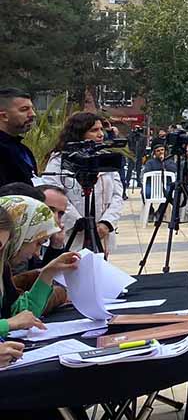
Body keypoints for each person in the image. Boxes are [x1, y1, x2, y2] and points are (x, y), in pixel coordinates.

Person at [38, 111, 125, 253]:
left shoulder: (105, 158)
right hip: (69, 236)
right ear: (79, 133)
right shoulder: (59, 161)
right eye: (94, 130)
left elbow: (117, 195)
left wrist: (106, 223)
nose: (101, 134)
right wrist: (81, 223)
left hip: (101, 236)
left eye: (101, 129)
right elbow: (53, 196)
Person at [0, 196, 81, 339]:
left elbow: (21, 314)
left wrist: (48, 273)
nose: (37, 253)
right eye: (38, 243)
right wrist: (8, 324)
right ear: (20, 236)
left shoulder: (2, 267)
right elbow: (14, 320)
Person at [0, 89, 37, 186]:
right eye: (24, 109)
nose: (33, 114)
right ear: (4, 116)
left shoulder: (23, 150)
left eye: (32, 108)